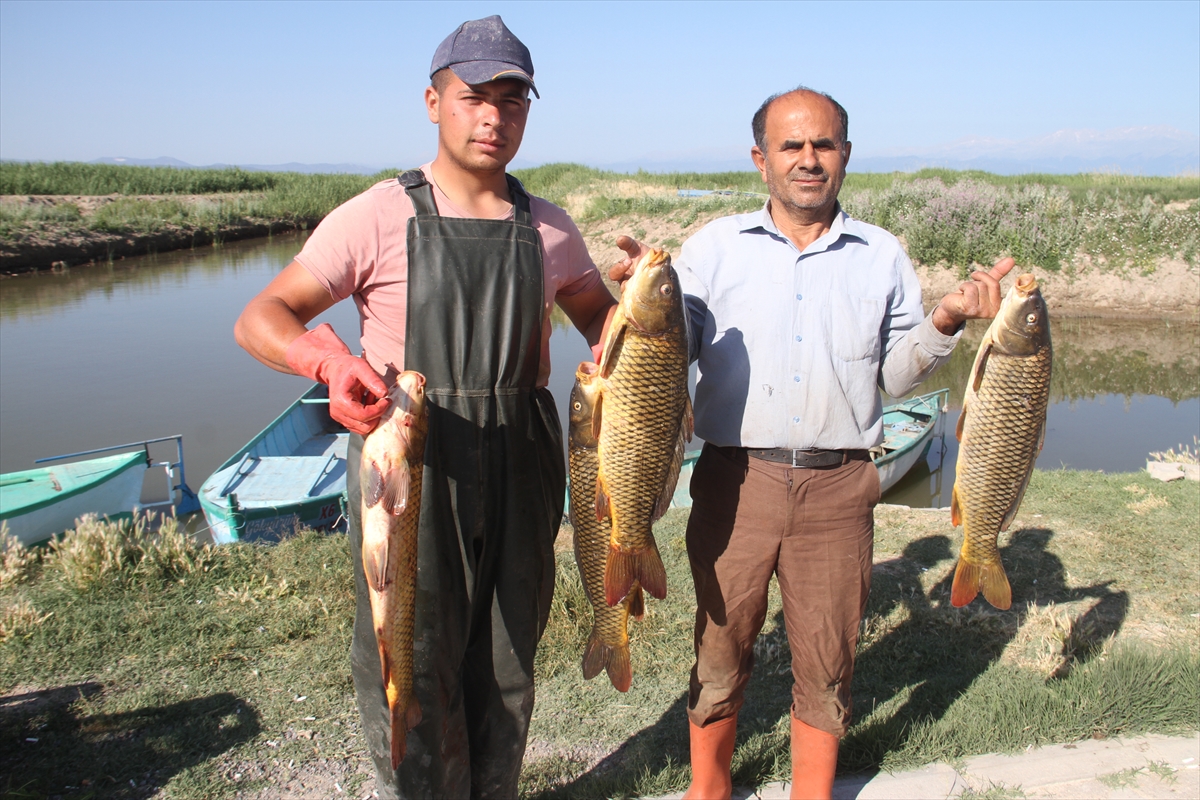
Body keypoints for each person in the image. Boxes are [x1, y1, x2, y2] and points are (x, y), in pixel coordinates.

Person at [234, 16, 616, 799]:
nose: (493, 118)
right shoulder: (377, 215)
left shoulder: (548, 226)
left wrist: (647, 321)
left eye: (513, 101)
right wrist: (331, 363)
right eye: (475, 96)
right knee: (410, 657)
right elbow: (261, 318)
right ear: (433, 100)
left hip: (524, 465)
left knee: (508, 662)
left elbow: (602, 325)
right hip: (411, 469)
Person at [610, 87, 1013, 799]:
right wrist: (648, 287)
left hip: (839, 487)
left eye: (823, 145)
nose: (808, 160)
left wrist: (946, 317)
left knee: (827, 656)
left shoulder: (882, 256)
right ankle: (709, 791)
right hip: (735, 483)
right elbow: (668, 347)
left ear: (846, 157)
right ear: (761, 159)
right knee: (720, 645)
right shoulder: (712, 249)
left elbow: (892, 374)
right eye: (791, 146)